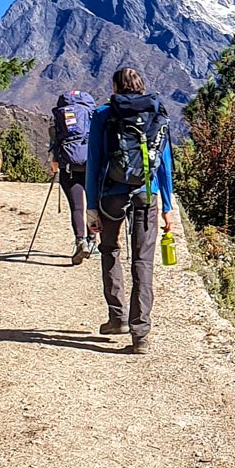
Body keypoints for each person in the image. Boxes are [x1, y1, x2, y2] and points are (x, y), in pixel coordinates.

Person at [85, 67, 174, 355]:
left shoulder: (103, 114)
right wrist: (168, 206)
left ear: (115, 87)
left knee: (110, 249)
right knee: (143, 261)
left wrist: (90, 206)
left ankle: (117, 317)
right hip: (147, 194)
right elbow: (165, 161)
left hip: (111, 193)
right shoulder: (156, 112)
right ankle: (141, 335)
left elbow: (94, 161)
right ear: (141, 86)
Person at [48, 90, 98, 265]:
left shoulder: (61, 116)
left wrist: (55, 161)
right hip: (91, 167)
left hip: (68, 166)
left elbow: (55, 141)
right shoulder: (93, 115)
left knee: (76, 207)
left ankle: (80, 240)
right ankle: (92, 240)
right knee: (93, 205)